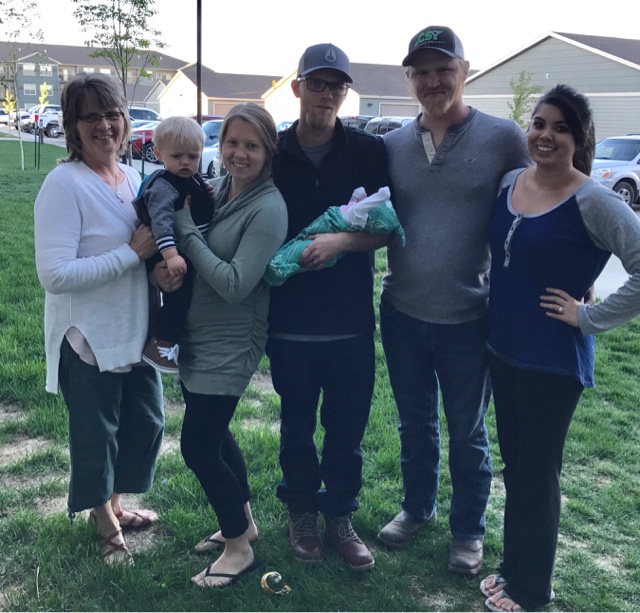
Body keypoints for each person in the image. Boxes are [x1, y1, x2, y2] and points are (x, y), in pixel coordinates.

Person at [376, 26, 531, 575]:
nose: (433, 81)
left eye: (444, 68)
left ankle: (468, 531)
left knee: (467, 432)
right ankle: (416, 509)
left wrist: (570, 268)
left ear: (465, 71)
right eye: (421, 72)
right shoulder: (392, 144)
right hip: (400, 311)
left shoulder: (503, 137)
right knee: (414, 424)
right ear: (409, 79)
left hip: (469, 314)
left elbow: (539, 202)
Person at [481, 84, 640, 612]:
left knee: (537, 473)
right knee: (516, 468)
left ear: (580, 138)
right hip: (502, 350)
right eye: (539, 123)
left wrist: (588, 316)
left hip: (551, 360)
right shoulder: (511, 181)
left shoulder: (594, 200)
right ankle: (514, 569)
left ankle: (532, 589)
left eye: (561, 127)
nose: (546, 135)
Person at [266, 43, 388, 571]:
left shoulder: (368, 151)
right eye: (317, 83)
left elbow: (388, 228)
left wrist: (342, 242)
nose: (327, 94)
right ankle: (301, 512)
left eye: (336, 86)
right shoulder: (271, 150)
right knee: (295, 426)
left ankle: (339, 516)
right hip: (289, 320)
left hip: (350, 321)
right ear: (297, 87)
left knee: (346, 431)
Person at [33, 72, 164, 565]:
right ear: (72, 126)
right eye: (90, 117)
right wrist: (132, 255)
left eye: (112, 114)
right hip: (87, 334)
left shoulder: (131, 177)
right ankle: (104, 520)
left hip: (136, 328)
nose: (104, 125)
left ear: (126, 120)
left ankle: (116, 503)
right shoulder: (63, 184)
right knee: (96, 434)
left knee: (144, 424)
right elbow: (55, 274)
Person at [170, 102, 288, 587]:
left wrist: (186, 235)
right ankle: (244, 524)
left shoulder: (268, 208)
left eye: (251, 145)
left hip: (232, 341)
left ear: (268, 151)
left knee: (198, 447)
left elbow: (237, 283)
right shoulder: (221, 190)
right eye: (232, 142)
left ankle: (239, 549)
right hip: (200, 336)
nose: (240, 153)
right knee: (216, 436)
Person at [133, 115, 213, 374]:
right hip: (169, 250)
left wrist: (205, 192)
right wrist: (170, 255)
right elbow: (161, 223)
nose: (186, 162)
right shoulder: (163, 187)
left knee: (186, 298)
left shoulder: (192, 179)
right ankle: (161, 344)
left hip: (183, 248)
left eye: (193, 156)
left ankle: (172, 340)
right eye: (177, 156)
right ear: (158, 154)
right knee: (178, 296)